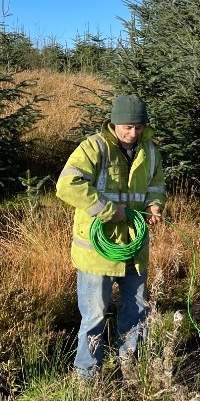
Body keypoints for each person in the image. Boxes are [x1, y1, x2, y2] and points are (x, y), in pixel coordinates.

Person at [56, 94, 166, 378]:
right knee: (94, 315)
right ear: (115, 122)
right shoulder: (94, 147)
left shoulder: (150, 151)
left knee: (137, 309)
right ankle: (87, 375)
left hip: (134, 247)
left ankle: (130, 369)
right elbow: (67, 185)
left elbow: (156, 185)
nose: (133, 133)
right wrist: (107, 209)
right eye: (128, 127)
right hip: (96, 252)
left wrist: (155, 205)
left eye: (139, 127)